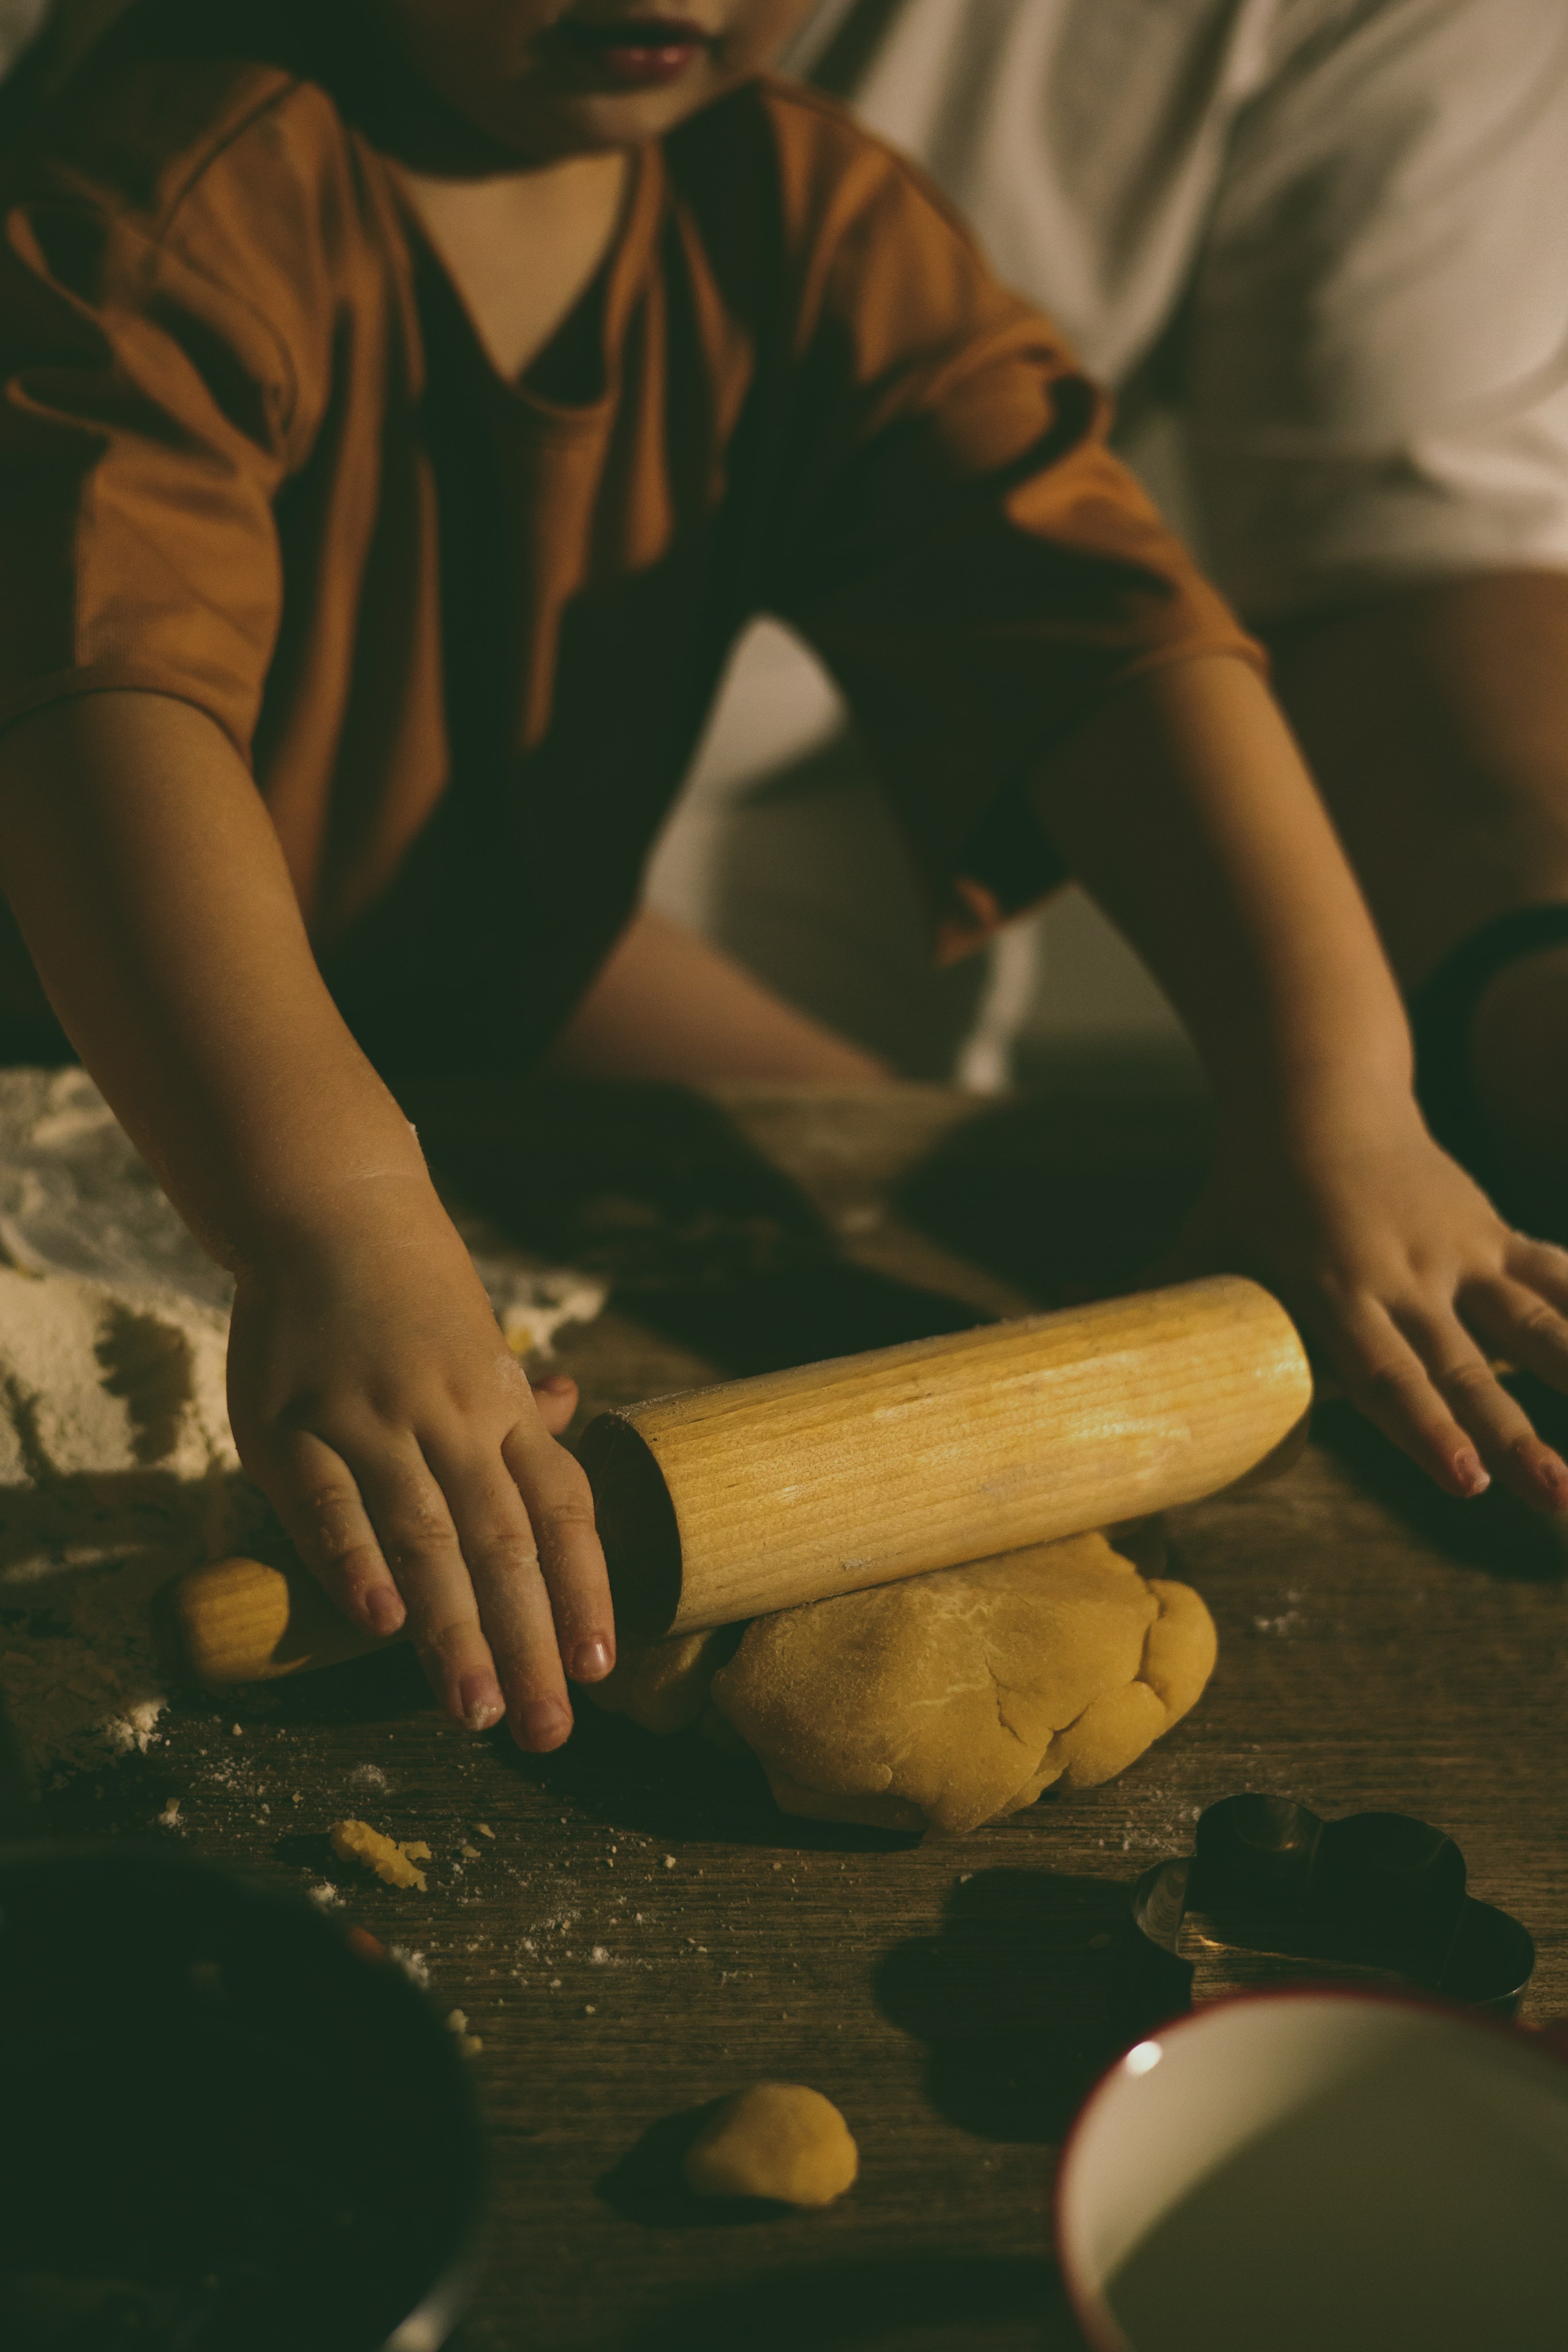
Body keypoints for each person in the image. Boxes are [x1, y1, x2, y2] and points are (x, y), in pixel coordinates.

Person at [1, 0, 1566, 1763]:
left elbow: (1098, 636)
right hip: (91, 1043)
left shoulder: (801, 223)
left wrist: (1333, 1098)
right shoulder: (170, 185)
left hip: (469, 990)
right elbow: (99, 697)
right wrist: (333, 1215)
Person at [647, 0, 1568, 1231]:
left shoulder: (831, 219)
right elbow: (414, 884)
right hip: (364, 1048)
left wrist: (1340, 1095)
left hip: (783, 996)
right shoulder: (309, 190)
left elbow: (1094, 619)